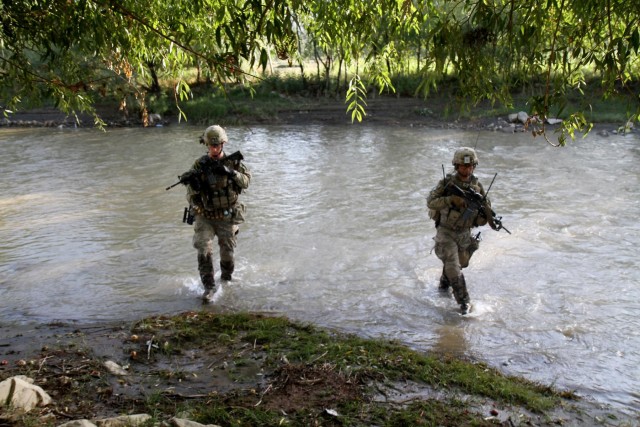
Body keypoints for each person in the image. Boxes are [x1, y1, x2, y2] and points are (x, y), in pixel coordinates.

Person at [185, 125, 251, 301]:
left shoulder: (233, 162)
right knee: (203, 248)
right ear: (206, 145)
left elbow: (246, 182)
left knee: (227, 252)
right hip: (205, 216)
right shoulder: (199, 165)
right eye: (211, 146)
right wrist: (195, 187)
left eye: (217, 145)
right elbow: (190, 195)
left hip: (227, 215)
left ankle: (226, 280)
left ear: (222, 144)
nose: (214, 149)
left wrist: (231, 173)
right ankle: (209, 288)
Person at [426, 147, 496, 314]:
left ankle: (444, 283)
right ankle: (464, 303)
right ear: (456, 166)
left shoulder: (477, 187)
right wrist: (451, 200)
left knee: (460, 264)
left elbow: (487, 207)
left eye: (471, 166)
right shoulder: (447, 183)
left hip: (464, 233)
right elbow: (431, 202)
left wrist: (486, 216)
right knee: (452, 265)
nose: (467, 169)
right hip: (446, 231)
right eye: (464, 166)